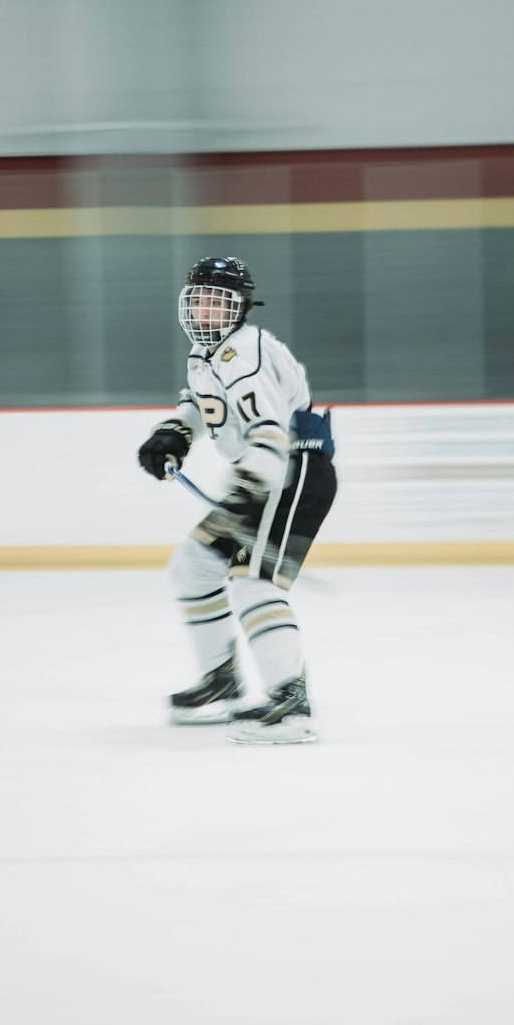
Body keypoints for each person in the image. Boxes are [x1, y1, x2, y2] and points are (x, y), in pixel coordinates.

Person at [137, 257, 337, 745]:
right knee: (193, 567)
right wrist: (176, 432)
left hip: (291, 472)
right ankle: (220, 682)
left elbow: (269, 431)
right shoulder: (208, 352)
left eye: (217, 301)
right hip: (266, 476)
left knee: (253, 582)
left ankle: (291, 704)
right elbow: (205, 405)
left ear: (240, 308)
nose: (205, 310)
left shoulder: (245, 353)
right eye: (198, 299)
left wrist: (248, 491)